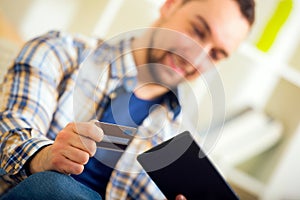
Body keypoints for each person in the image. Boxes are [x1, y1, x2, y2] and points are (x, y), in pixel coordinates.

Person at [0, 0, 255, 199]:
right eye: (198, 31)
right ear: (170, 4)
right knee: (56, 187)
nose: (197, 58)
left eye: (216, 54)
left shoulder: (181, 139)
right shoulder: (60, 52)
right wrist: (44, 156)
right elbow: (10, 133)